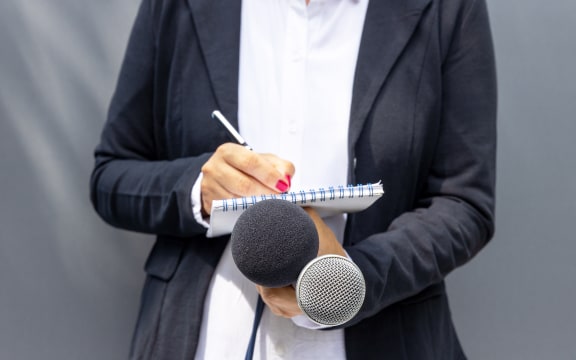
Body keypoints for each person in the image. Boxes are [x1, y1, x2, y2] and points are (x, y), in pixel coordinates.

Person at [90, 0, 497, 358]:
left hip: (379, 338)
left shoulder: (447, 7)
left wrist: (346, 280)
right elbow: (111, 176)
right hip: (205, 339)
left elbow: (464, 203)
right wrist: (199, 189)